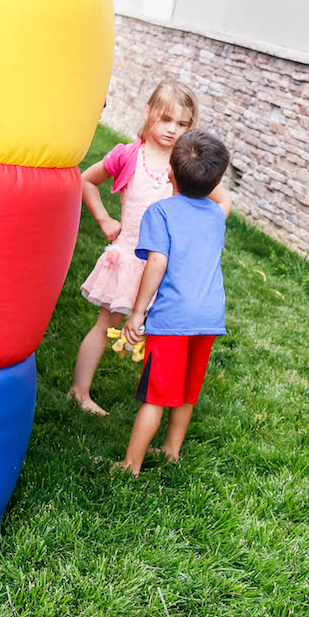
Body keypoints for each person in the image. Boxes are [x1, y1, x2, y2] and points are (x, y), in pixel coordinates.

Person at [68, 80, 198, 415]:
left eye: (182, 124)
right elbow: (86, 179)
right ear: (148, 113)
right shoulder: (128, 154)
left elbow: (210, 202)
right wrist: (104, 220)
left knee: (160, 335)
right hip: (128, 256)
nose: (172, 129)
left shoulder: (185, 163)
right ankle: (79, 392)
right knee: (104, 323)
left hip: (166, 265)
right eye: (165, 119)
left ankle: (154, 402)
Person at [116, 129, 231, 475]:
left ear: (171, 171)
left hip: (172, 320)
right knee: (185, 392)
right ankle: (170, 451)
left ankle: (129, 466)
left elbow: (157, 262)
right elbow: (224, 201)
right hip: (209, 318)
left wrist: (138, 313)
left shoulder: (160, 212)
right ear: (216, 180)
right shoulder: (216, 215)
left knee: (155, 396)